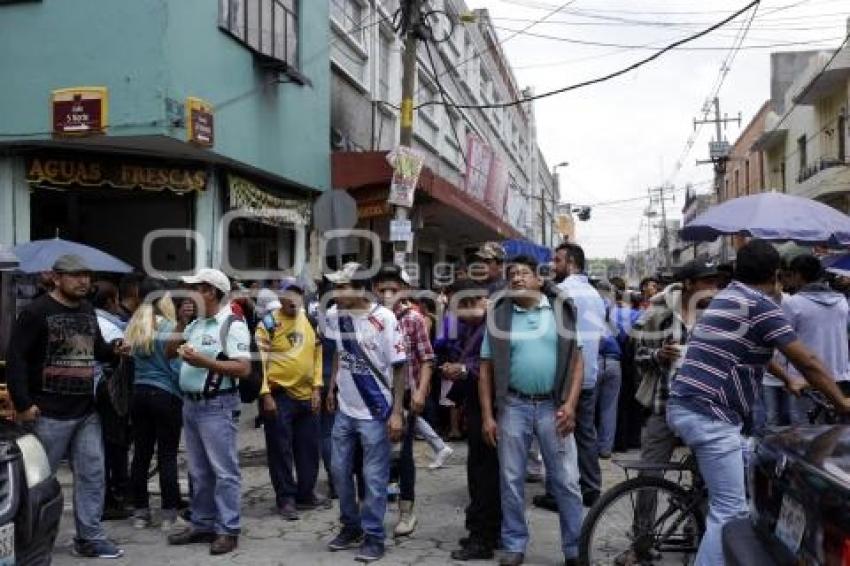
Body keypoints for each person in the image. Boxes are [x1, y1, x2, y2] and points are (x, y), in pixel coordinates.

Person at [667, 240, 850, 566]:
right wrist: (841, 402)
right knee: (729, 510)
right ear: (777, 274)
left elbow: (753, 347)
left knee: (757, 455)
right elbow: (807, 360)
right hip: (710, 413)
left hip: (688, 405)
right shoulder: (761, 306)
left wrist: (787, 379)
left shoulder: (728, 297)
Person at [6, 254, 128, 558]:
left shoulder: (88, 310)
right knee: (38, 484)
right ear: (56, 278)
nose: (83, 281)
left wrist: (114, 351)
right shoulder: (36, 312)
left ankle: (89, 537)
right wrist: (23, 403)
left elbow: (96, 349)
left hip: (85, 411)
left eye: (86, 275)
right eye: (75, 275)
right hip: (47, 413)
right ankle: (29, 542)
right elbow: (17, 359)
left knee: (92, 474)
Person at [479, 255, 585, 566]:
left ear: (539, 281)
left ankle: (575, 548)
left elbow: (578, 363)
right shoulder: (499, 316)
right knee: (511, 479)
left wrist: (570, 404)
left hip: (554, 406)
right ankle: (514, 544)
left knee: (566, 480)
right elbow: (485, 369)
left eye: (524, 273)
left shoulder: (559, 312)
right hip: (513, 405)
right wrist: (488, 415)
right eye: (512, 274)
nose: (516, 278)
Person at [627, 259, 720, 561]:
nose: (714, 287)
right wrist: (658, 354)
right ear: (690, 284)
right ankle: (641, 539)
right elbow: (636, 354)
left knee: (704, 478)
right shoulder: (660, 313)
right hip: (663, 407)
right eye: (708, 281)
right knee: (649, 476)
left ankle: (695, 536)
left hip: (703, 410)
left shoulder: (714, 315)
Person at [324, 263, 407, 563]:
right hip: (345, 409)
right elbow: (339, 353)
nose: (336, 292)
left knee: (374, 477)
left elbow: (400, 366)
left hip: (376, 411)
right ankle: (351, 526)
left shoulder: (384, 319)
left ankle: (374, 535)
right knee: (338, 471)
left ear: (360, 289)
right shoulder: (335, 315)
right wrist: (332, 386)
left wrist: (397, 412)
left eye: (342, 286)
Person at [166, 268, 252, 556]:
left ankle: (228, 529)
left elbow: (243, 368)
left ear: (211, 292)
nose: (189, 294)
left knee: (224, 471)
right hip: (191, 404)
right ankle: (203, 523)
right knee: (199, 471)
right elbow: (168, 352)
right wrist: (181, 321)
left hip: (218, 404)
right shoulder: (197, 323)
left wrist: (205, 362)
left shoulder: (232, 324)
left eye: (196, 288)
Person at [372, 264, 438, 537]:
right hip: (374, 396)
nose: (388, 293)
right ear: (375, 290)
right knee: (374, 455)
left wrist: (421, 391)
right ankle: (372, 511)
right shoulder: (370, 318)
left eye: (393, 289)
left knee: (403, 456)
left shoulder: (413, 319)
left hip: (405, 396)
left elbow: (427, 359)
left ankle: (406, 511)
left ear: (404, 290)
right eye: (382, 288)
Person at [256, 279, 325, 521]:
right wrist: (265, 394)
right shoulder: (268, 323)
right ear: (280, 297)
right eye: (289, 295)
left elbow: (318, 355)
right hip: (279, 397)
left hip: (308, 396)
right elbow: (260, 362)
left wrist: (318, 388)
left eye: (298, 295)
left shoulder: (310, 321)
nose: (294, 300)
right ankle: (285, 498)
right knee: (280, 450)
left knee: (309, 448)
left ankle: (306, 493)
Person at [443, 280, 500, 561]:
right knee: (481, 473)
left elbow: (495, 366)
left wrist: (464, 370)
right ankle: (486, 529)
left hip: (491, 409)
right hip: (478, 406)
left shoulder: (496, 324)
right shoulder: (476, 326)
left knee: (485, 475)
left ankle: (484, 536)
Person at [124, 278, 184, 532]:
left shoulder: (135, 326)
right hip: (165, 395)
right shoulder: (170, 327)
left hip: (139, 394)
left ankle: (141, 513)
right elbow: (177, 367)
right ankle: (169, 515)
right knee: (167, 456)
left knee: (140, 455)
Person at [551, 242, 606, 508]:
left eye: (558, 260)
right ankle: (591, 488)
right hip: (589, 373)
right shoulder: (596, 295)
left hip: (564, 377)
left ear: (571, 262)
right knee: (586, 433)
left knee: (559, 434)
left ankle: (559, 492)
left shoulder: (560, 291)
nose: (553, 265)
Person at [784, 254, 850, 422]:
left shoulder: (793, 304)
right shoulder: (842, 301)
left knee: (804, 437)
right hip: (839, 377)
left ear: (798, 275)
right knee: (835, 436)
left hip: (806, 379)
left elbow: (783, 341)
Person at [91, 280, 133, 521]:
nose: (119, 304)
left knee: (101, 447)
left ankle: (107, 496)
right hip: (108, 392)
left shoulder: (88, 320)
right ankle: (111, 498)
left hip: (90, 392)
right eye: (116, 299)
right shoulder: (112, 329)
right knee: (112, 445)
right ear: (109, 302)